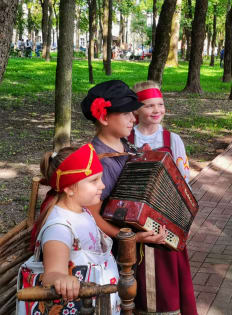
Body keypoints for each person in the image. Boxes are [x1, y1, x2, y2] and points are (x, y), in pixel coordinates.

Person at [80, 80, 198, 315]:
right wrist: (132, 237)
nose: (133, 119)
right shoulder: (95, 160)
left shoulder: (129, 147)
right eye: (126, 113)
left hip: (143, 245)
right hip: (119, 254)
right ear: (104, 118)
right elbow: (92, 215)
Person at [17, 144, 121, 314]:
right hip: (80, 307)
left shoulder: (82, 210)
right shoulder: (59, 227)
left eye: (100, 179)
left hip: (97, 302)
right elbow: (52, 272)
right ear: (69, 188)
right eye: (94, 180)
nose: (102, 185)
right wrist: (62, 278)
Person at [129, 81, 197, 314]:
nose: (157, 110)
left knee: (166, 273)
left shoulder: (173, 139)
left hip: (166, 218)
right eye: (149, 105)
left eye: (160, 104)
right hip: (133, 218)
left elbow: (183, 180)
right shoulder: (127, 138)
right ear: (136, 110)